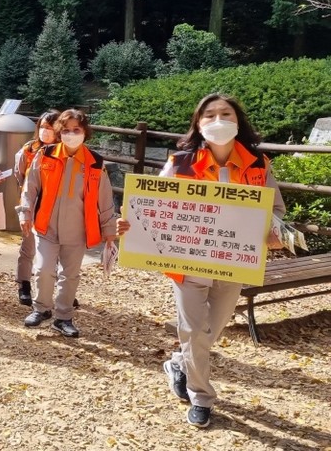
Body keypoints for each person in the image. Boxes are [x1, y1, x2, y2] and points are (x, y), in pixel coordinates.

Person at [116, 93, 285, 429]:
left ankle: (178, 363)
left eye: (226, 113)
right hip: (188, 264)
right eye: (210, 115)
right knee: (194, 330)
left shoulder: (258, 164)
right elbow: (151, 205)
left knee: (212, 329)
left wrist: (273, 229)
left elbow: (276, 209)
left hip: (233, 262)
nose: (218, 120)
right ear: (198, 123)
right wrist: (129, 223)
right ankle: (201, 396)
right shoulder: (180, 163)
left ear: (238, 121)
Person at [17, 109, 117, 338]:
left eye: (77, 130)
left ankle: (63, 317)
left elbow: (105, 199)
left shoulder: (95, 163)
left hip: (78, 229)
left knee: (70, 275)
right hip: (46, 225)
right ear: (59, 132)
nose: (71, 134)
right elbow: (30, 187)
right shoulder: (46, 154)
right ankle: (41, 309)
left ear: (85, 132)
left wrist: (109, 230)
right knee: (42, 270)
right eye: (67, 130)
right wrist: (25, 213)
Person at [12, 109, 60, 306]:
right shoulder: (28, 149)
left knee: (56, 249)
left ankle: (58, 289)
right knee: (28, 247)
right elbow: (19, 174)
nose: (45, 131)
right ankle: (23, 284)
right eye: (42, 127)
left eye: (50, 128)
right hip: (32, 205)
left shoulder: (64, 152)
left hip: (56, 207)